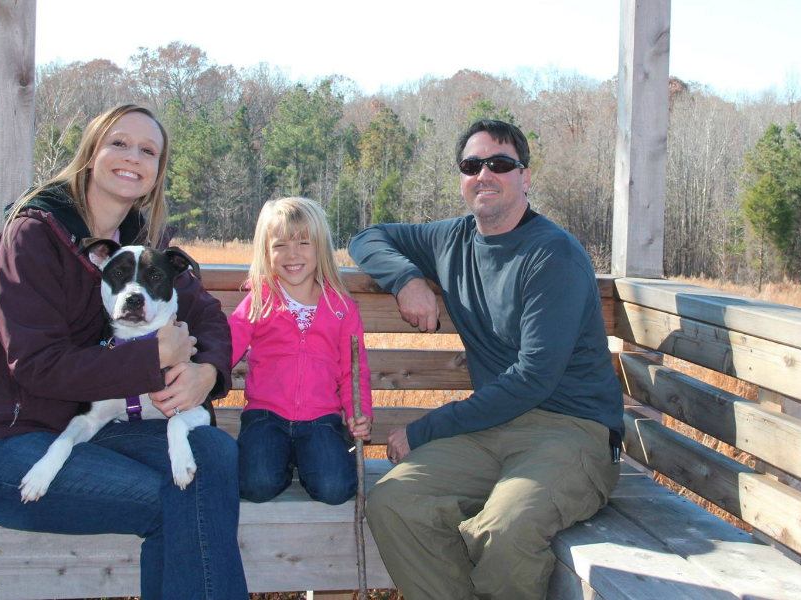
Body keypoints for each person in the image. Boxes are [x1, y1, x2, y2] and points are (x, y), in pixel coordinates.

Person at [0, 104, 248, 599]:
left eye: (148, 150)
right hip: (0, 441)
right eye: (119, 143)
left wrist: (207, 372)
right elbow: (36, 366)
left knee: (212, 449)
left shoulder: (142, 247)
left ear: (158, 170)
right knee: (181, 499)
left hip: (87, 430)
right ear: (90, 153)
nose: (133, 157)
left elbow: (207, 315)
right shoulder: (34, 233)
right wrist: (155, 357)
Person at [348, 119, 624, 599]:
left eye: (500, 164)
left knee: (504, 528)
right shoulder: (449, 240)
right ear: (461, 177)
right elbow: (366, 238)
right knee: (394, 501)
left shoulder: (553, 255)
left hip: (573, 430)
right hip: (492, 428)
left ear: (525, 177)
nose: (484, 174)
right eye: (472, 165)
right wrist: (406, 279)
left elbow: (533, 378)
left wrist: (424, 430)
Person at [229, 197, 373, 505]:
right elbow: (226, 347)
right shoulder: (259, 301)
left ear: (320, 248)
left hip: (321, 417)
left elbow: (354, 370)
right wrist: (200, 372)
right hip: (265, 415)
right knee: (256, 485)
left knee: (336, 489)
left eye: (303, 243)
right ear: (266, 252)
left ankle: (305, 460)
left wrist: (359, 414)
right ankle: (282, 462)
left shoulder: (340, 308)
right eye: (280, 245)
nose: (292, 254)